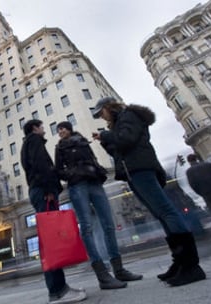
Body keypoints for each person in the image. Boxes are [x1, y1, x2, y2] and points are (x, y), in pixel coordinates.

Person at [91, 97, 206, 287]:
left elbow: (127, 140)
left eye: (101, 112)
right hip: (133, 171)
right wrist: (105, 141)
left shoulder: (129, 116)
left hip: (141, 168)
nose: (101, 117)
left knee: (167, 212)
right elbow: (119, 152)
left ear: (108, 107)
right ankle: (179, 262)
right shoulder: (120, 122)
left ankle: (191, 266)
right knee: (161, 215)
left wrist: (106, 136)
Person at [54, 121, 142, 290]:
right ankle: (102, 275)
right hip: (77, 186)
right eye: (58, 130)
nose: (60, 132)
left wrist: (98, 170)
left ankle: (119, 269)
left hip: (95, 182)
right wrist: (73, 174)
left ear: (69, 129)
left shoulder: (83, 141)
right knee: (86, 227)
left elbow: (93, 159)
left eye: (63, 128)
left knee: (109, 224)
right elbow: (59, 170)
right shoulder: (60, 147)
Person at [21, 119, 86, 304]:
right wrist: (50, 190)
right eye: (41, 126)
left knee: (52, 240)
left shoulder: (30, 143)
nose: (43, 129)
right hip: (43, 191)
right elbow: (40, 166)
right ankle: (57, 291)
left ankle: (61, 287)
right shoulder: (34, 141)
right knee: (51, 242)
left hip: (41, 190)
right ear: (35, 128)